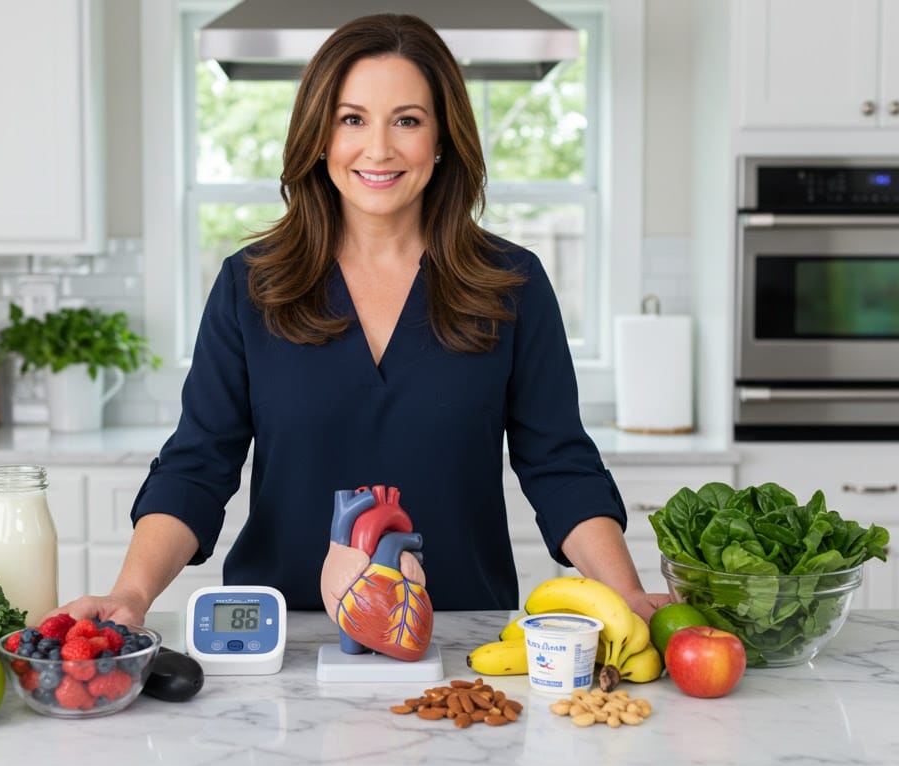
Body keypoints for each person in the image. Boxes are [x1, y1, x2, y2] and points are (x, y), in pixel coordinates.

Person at [53, 13, 669, 629]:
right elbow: (197, 464)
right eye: (353, 119)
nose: (378, 149)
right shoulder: (252, 284)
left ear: (442, 139)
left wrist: (627, 592)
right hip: (282, 637)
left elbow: (560, 464)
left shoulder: (513, 283)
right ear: (319, 136)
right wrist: (131, 596)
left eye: (407, 120)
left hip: (459, 640)